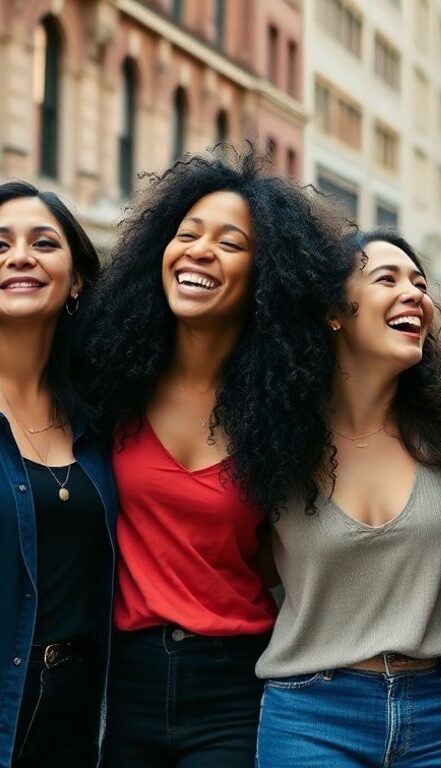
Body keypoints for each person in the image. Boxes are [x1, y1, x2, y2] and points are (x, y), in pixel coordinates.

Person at [83, 146, 351, 768]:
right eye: (187, 234)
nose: (200, 251)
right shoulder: (108, 380)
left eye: (231, 243)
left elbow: (274, 555)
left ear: (267, 277)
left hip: (233, 682)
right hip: (121, 677)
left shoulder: (289, 406)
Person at [254, 228, 441, 768]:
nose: (414, 294)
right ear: (335, 312)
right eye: (386, 278)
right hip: (311, 715)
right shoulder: (274, 440)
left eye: (420, 284)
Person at [0, 181, 116, 767]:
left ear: (76, 282)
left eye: (43, 242)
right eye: (0, 245)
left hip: (82, 716)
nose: (20, 255)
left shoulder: (101, 417)